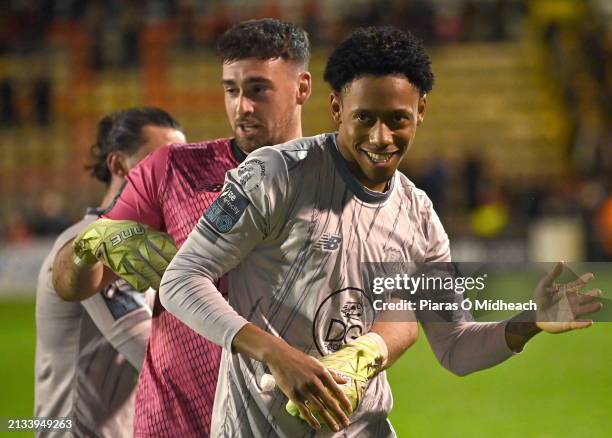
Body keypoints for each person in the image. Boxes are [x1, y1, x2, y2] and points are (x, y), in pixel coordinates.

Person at [159, 26, 602, 437]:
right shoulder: (275, 175)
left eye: (397, 119)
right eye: (365, 118)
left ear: (421, 111)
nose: (381, 137)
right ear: (336, 108)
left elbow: (455, 346)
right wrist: (275, 354)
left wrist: (529, 322)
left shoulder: (419, 217)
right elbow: (181, 281)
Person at [52, 19, 319, 437]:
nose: (241, 107)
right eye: (231, 90)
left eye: (258, 89)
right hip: (173, 425)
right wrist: (92, 242)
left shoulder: (334, 184)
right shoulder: (173, 170)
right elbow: (71, 284)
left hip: (281, 422)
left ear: (302, 87)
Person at [35, 107, 185, 437]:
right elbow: (163, 360)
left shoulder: (145, 246)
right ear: (118, 164)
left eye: (177, 167)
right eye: (158, 164)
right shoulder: (95, 245)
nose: (171, 178)